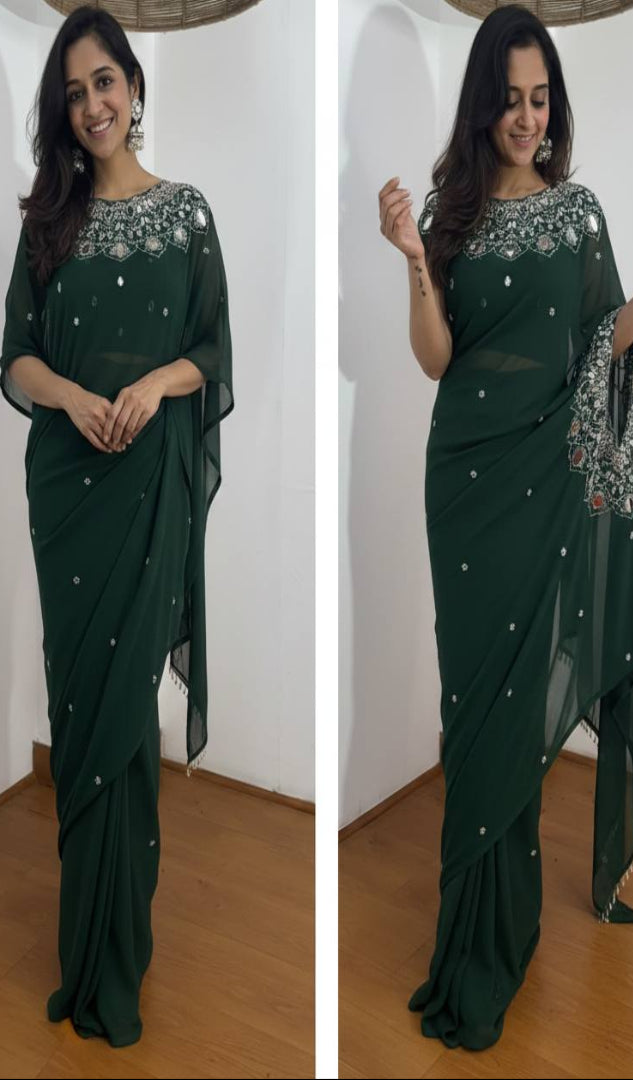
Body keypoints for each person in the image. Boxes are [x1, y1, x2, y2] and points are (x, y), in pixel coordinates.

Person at [378, 3, 633, 1052]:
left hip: (544, 483)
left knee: (518, 705)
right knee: (474, 702)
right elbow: (436, 358)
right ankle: (470, 940)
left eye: (541, 100)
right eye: (511, 100)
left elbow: (598, 342)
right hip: (466, 485)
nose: (528, 118)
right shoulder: (452, 214)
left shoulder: (579, 214)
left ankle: (503, 936)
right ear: (483, 106)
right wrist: (411, 255)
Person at [0, 6, 233, 1047]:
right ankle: (81, 952)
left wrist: (150, 385)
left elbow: (212, 350)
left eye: (105, 81)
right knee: (81, 708)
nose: (92, 104)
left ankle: (117, 958)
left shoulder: (187, 215)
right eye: (74, 91)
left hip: (147, 492)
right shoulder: (47, 222)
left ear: (134, 87)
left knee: (126, 719)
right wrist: (71, 397)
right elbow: (15, 356)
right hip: (69, 496)